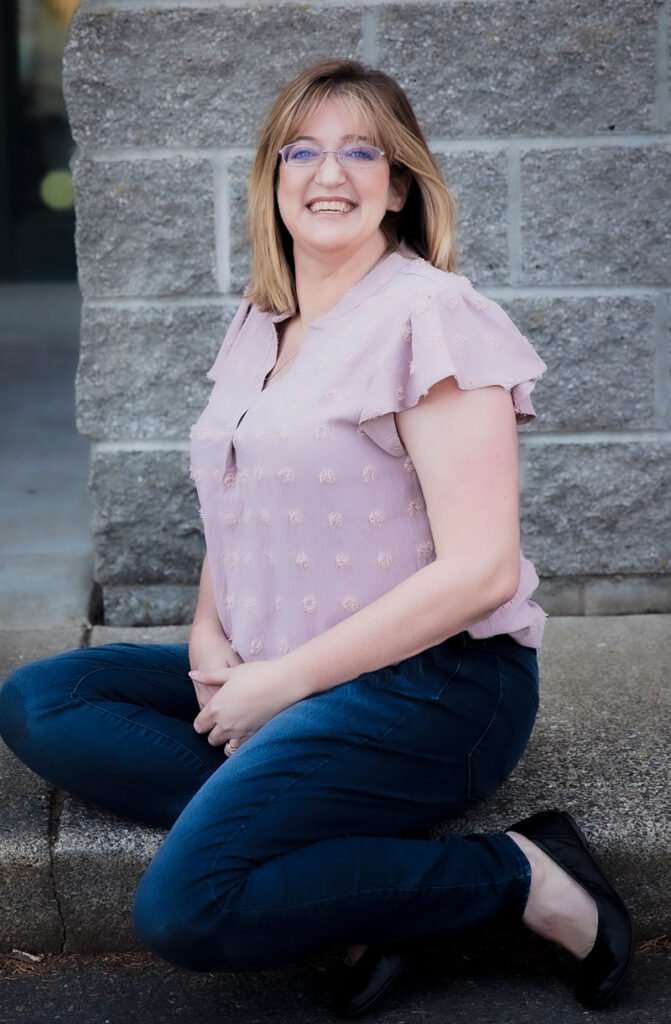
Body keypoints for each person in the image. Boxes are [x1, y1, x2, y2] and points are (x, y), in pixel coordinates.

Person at [0, 58, 633, 1017]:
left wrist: (280, 685)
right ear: (271, 176)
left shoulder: (433, 317)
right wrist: (212, 636)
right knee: (46, 699)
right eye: (302, 149)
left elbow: (480, 570)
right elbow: (239, 498)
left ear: (399, 183)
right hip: (277, 658)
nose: (327, 173)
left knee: (186, 908)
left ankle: (521, 874)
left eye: (358, 151)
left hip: (435, 686)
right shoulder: (262, 319)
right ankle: (357, 868)